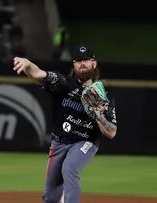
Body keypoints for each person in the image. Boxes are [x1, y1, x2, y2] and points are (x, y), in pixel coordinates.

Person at [12, 45, 117, 203]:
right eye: (78, 60)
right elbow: (39, 74)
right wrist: (28, 64)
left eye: (86, 60)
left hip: (85, 142)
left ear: (94, 64)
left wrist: (96, 110)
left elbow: (111, 132)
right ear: (73, 66)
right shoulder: (64, 84)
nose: (82, 63)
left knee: (69, 168)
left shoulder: (104, 95)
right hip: (58, 143)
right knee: (50, 197)